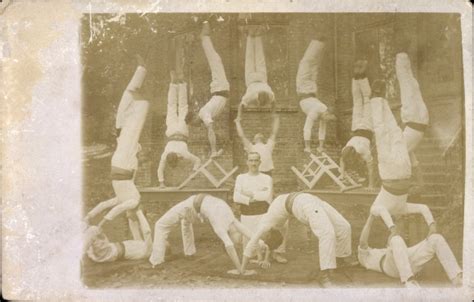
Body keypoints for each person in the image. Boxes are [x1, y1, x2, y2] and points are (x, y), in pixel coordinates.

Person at [84, 54, 149, 233]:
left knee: (139, 114)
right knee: (126, 111)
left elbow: (116, 209)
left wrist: (101, 224)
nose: (141, 209)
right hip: (117, 165)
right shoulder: (126, 198)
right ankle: (140, 73)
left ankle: (140, 80)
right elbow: (107, 204)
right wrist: (88, 217)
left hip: (123, 163)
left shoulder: (133, 200)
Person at [241, 192, 357, 287]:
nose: (263, 238)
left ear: (268, 235)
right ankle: (324, 274)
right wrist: (263, 258)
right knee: (327, 233)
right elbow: (268, 245)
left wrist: (242, 268)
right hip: (303, 203)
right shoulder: (274, 227)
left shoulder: (265, 226)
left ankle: (339, 261)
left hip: (308, 199)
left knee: (344, 226)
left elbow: (252, 244)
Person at [368, 80, 434, 233]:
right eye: (402, 223)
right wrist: (431, 224)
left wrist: (392, 228)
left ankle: (375, 98)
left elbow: (377, 212)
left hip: (389, 172)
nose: (403, 221)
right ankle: (382, 99)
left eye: (401, 223)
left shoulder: (381, 208)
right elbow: (423, 208)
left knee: (382, 132)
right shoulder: (404, 208)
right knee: (396, 132)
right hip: (404, 170)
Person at [148, 194, 263, 275]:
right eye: (239, 241)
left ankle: (157, 262)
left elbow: (229, 244)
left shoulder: (221, 227)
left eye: (237, 242)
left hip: (196, 207)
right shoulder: (233, 221)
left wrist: (240, 270)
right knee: (174, 223)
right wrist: (261, 246)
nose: (238, 241)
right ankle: (178, 255)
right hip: (191, 205)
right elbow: (251, 235)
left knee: (164, 224)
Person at [358, 214, 462, 287]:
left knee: (436, 238)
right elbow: (362, 242)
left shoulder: (387, 247)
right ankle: (409, 281)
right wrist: (370, 218)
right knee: (396, 239)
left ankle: (456, 277)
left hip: (406, 261)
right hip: (390, 268)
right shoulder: (365, 257)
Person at [157, 37, 201, 189]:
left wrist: (194, 173)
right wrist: (161, 182)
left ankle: (180, 83)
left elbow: (198, 161)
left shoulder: (183, 155)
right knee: (172, 106)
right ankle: (174, 82)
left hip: (181, 132)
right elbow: (160, 169)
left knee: (182, 107)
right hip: (171, 132)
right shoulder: (166, 153)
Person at [186, 21, 230, 158]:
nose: (196, 126)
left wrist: (213, 150)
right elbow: (211, 130)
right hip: (219, 88)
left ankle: (204, 34)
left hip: (220, 87)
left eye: (193, 124)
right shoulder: (204, 114)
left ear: (193, 119)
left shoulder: (203, 114)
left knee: (214, 59)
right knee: (215, 59)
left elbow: (211, 130)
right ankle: (205, 34)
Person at [395, 37, 429, 188]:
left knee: (407, 83)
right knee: (409, 83)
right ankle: (419, 183)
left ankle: (406, 183)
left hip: (417, 121)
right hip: (419, 120)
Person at [296, 35, 337, 154]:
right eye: (326, 118)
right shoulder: (316, 111)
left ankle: (320, 43)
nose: (324, 121)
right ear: (327, 113)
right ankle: (318, 41)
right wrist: (307, 147)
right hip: (305, 87)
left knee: (313, 65)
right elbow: (307, 128)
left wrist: (321, 146)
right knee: (305, 62)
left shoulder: (323, 114)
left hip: (311, 89)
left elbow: (322, 131)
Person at [339, 59, 375, 188]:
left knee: (366, 100)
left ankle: (360, 75)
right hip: (356, 127)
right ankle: (357, 76)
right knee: (358, 101)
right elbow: (342, 160)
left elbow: (371, 168)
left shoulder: (363, 151)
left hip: (366, 127)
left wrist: (371, 185)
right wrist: (342, 174)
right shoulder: (345, 150)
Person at [233, 152, 273, 247]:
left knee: (263, 243)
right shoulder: (241, 178)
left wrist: (248, 193)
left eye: (256, 160)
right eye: (251, 160)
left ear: (260, 162)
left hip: (262, 214)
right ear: (247, 162)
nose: (253, 163)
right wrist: (257, 194)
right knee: (249, 246)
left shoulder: (266, 178)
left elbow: (266, 196)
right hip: (246, 215)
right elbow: (236, 197)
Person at [85, 208, 152, 263]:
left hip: (107, 254)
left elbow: (147, 231)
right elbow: (133, 225)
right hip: (107, 249)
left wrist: (139, 212)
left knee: (93, 229)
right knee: (88, 228)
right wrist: (132, 211)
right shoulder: (141, 243)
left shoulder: (147, 250)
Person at [238, 25, 275, 115]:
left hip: (262, 78)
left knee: (259, 58)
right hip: (251, 80)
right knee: (249, 58)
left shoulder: (270, 94)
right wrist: (239, 117)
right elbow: (241, 105)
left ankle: (257, 36)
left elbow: (274, 103)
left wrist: (274, 113)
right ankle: (251, 36)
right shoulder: (252, 96)